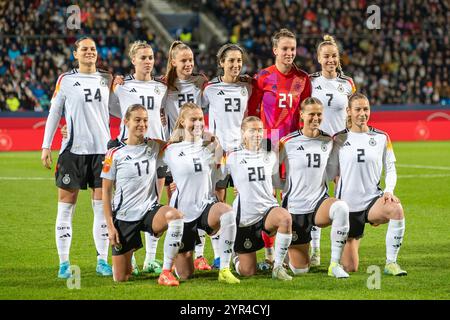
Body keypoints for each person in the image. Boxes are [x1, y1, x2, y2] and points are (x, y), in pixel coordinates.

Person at [41, 37, 113, 278]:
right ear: (75, 54)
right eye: (84, 49)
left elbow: (121, 110)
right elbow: (54, 112)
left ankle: (102, 261)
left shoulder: (107, 79)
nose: (89, 52)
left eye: (93, 48)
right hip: (72, 151)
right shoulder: (66, 80)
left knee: (101, 210)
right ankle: (64, 263)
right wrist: (46, 146)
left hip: (102, 152)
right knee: (65, 208)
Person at [247, 28, 312, 265]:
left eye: (292, 49)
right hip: (267, 145)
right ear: (275, 50)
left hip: (293, 146)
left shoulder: (303, 79)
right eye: (284, 48)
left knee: (293, 197)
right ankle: (268, 252)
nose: (289, 53)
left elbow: (306, 114)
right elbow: (251, 113)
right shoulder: (262, 77)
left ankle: (294, 251)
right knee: (267, 198)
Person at [101, 104, 183, 285]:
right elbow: (106, 192)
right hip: (124, 217)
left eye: (145, 120)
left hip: (149, 211)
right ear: (126, 122)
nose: (142, 124)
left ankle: (166, 272)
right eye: (137, 120)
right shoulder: (114, 153)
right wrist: (109, 226)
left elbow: (178, 146)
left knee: (175, 217)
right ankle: (129, 259)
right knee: (121, 278)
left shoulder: (154, 146)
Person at [328, 93, 407, 276]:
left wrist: (388, 191)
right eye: (358, 109)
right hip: (347, 208)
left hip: (372, 202)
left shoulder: (381, 137)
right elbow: (330, 172)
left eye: (366, 109)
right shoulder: (338, 139)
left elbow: (390, 168)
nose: (362, 114)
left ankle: (391, 263)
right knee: (350, 267)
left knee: (396, 209)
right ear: (349, 111)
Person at [161, 102, 240, 284]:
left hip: (205, 206)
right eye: (193, 119)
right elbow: (153, 168)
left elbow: (221, 173)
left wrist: (217, 147)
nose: (198, 123)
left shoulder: (210, 147)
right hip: (183, 214)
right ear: (182, 121)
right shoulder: (170, 150)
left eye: (200, 119)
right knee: (186, 274)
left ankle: (225, 268)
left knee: (227, 212)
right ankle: (172, 266)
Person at [108, 41, 168, 276]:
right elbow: (113, 108)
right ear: (133, 60)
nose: (148, 61)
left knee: (154, 201)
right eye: (143, 57)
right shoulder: (123, 87)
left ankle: (150, 259)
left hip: (155, 153)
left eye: (151, 57)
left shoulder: (161, 87)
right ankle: (127, 257)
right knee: (125, 205)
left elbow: (165, 113)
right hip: (129, 153)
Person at [279, 97, 350, 278]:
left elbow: (334, 170)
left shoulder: (328, 140)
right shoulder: (287, 142)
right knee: (301, 270)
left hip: (319, 204)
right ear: (302, 115)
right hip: (296, 208)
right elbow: (269, 167)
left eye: (319, 114)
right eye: (311, 114)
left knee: (341, 207)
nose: (316, 118)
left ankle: (334, 263)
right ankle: (286, 252)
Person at [163, 40, 213, 271]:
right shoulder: (163, 87)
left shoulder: (200, 83)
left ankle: (200, 254)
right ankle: (160, 259)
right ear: (173, 62)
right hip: (174, 150)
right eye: (183, 60)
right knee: (171, 203)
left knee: (203, 197)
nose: (188, 64)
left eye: (191, 60)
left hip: (197, 149)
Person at [308, 35, 356, 267]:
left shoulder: (347, 83)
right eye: (326, 56)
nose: (330, 60)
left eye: (333, 56)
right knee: (317, 194)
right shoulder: (310, 82)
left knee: (342, 196)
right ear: (318, 58)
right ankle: (316, 250)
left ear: (338, 59)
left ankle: (340, 250)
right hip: (318, 145)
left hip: (341, 146)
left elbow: (353, 112)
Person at [226, 116, 293, 281]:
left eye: (260, 130)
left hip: (267, 209)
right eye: (252, 130)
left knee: (285, 218)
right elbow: (215, 178)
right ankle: (235, 256)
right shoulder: (232, 157)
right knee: (248, 271)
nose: (257, 134)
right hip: (246, 217)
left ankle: (277, 267)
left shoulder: (270, 155)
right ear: (243, 133)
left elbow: (277, 177)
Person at [202, 43, 252, 203]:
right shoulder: (210, 88)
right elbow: (196, 111)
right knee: (218, 199)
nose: (236, 65)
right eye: (231, 60)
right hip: (219, 151)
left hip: (240, 150)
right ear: (221, 63)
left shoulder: (247, 86)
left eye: (239, 60)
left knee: (244, 198)